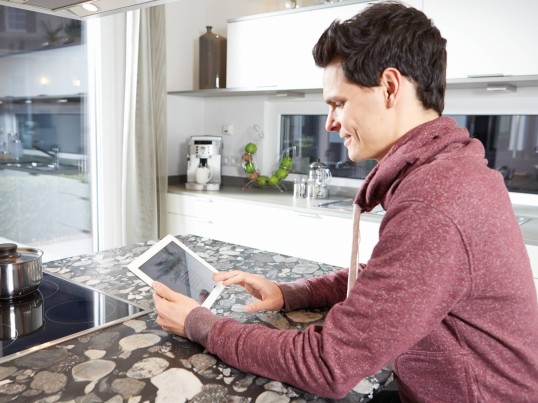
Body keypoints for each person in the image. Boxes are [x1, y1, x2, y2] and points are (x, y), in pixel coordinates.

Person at [153, 2, 538, 401]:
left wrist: (200, 324)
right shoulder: (447, 172)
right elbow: (388, 279)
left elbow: (327, 363)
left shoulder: (436, 200)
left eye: (338, 102)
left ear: (390, 87)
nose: (329, 123)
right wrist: (290, 294)